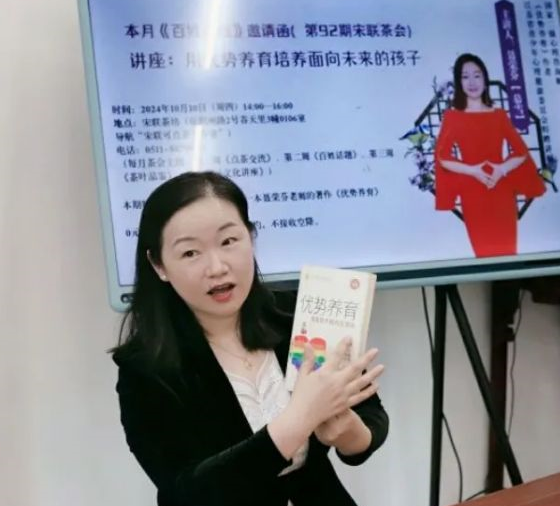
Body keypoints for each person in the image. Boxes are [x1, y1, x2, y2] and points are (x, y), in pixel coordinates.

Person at [111, 171, 388, 506]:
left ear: (251, 237)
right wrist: (298, 419)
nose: (217, 267)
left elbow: (370, 415)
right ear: (159, 266)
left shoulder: (296, 315)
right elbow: (188, 492)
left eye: (229, 241)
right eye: (190, 253)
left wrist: (348, 431)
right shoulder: (144, 368)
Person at [434, 53, 546, 257]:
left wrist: (502, 169)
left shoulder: (499, 115)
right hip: (473, 193)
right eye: (465, 76)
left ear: (485, 79)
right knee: (483, 252)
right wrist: (473, 171)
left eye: (477, 75)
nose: (472, 82)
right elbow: (443, 157)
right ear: (459, 82)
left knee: (509, 252)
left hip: (501, 189)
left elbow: (521, 151)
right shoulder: (453, 117)